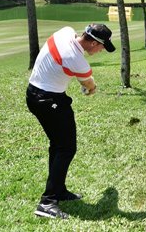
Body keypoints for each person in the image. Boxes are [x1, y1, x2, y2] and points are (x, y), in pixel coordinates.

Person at [26, 24, 115, 219]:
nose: (101, 51)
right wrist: (91, 89)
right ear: (92, 43)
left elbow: (71, 38)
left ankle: (58, 190)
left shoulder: (65, 32)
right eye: (101, 47)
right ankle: (47, 202)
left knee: (58, 145)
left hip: (35, 93)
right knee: (66, 148)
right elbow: (89, 85)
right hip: (48, 100)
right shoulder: (78, 61)